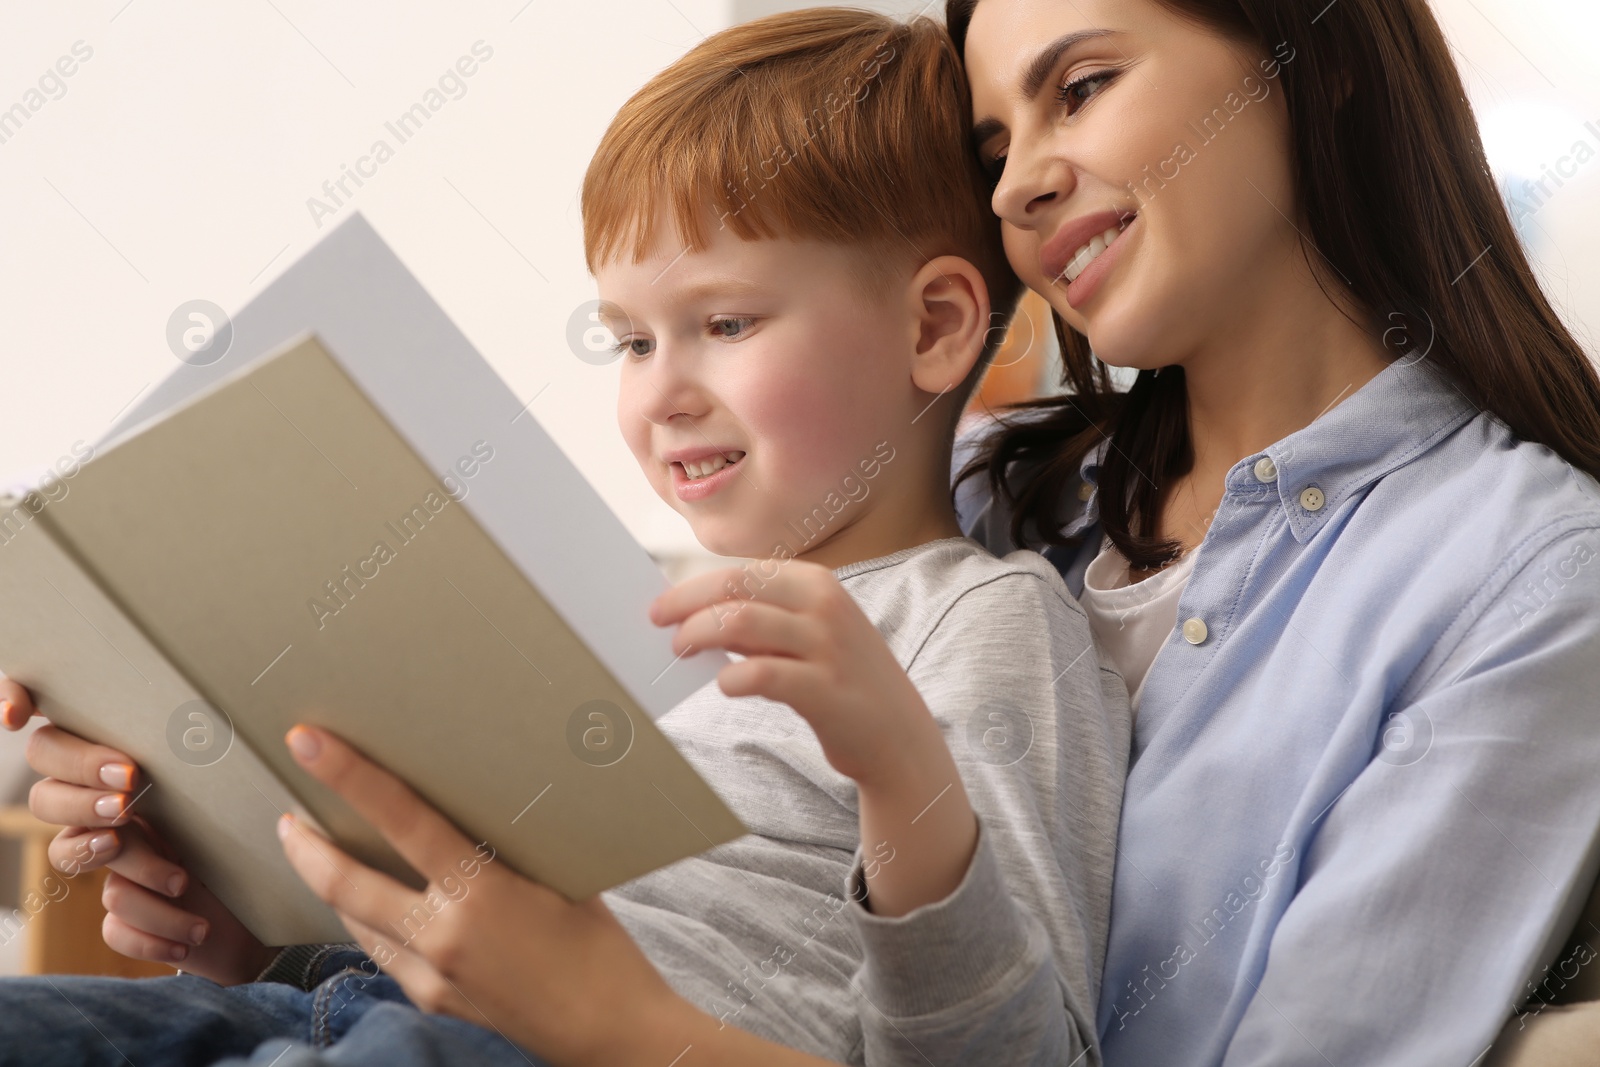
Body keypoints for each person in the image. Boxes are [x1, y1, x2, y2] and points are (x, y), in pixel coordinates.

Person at [0, 9, 1131, 1067]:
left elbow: (1017, 1047)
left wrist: (900, 773)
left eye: (723, 322)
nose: (662, 393)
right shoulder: (640, 626)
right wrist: (244, 924)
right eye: (630, 341)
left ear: (932, 327)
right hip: (349, 1003)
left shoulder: (983, 616)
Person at [945, 0, 1600, 1063]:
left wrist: (633, 1028)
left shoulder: (1532, 574)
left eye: (1080, 89)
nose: (1015, 185)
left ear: (1312, 57)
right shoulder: (993, 496)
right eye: (993, 149)